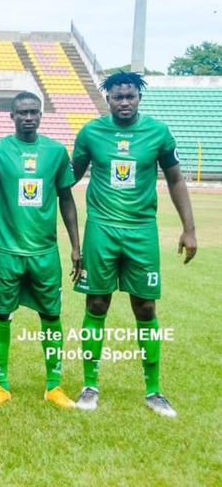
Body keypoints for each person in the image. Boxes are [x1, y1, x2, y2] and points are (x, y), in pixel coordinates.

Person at [71, 71, 197, 417]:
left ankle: (154, 390)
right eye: (117, 97)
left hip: (142, 231)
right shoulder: (91, 132)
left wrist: (189, 229)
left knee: (145, 308)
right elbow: (69, 176)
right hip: (101, 229)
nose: (124, 102)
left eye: (130, 96)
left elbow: (175, 180)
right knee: (97, 303)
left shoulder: (158, 132)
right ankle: (90, 385)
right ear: (108, 99)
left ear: (139, 97)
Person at [0, 91, 81, 409]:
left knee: (51, 315)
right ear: (12, 116)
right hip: (7, 251)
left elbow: (67, 200)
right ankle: (1, 386)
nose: (28, 117)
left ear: (41, 115)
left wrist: (76, 246)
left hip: (45, 252)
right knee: (1, 314)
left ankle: (54, 386)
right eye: (22, 112)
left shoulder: (56, 152)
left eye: (34, 112)